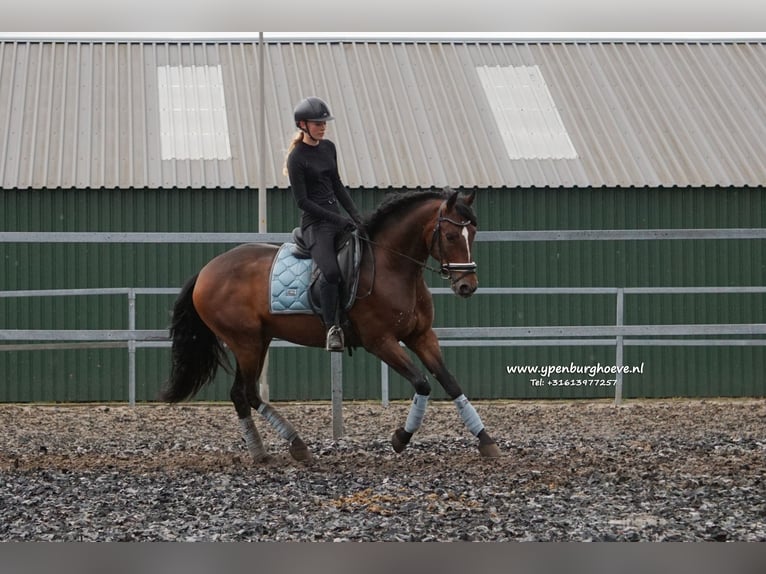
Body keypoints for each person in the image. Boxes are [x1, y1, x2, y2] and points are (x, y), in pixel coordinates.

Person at [284, 96, 364, 352]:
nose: (323, 126)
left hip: (337, 219)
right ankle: (332, 329)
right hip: (315, 226)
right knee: (330, 273)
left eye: (324, 123)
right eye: (318, 123)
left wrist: (356, 216)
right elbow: (303, 202)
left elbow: (337, 185)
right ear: (303, 125)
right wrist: (338, 219)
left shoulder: (328, 148)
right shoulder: (296, 158)